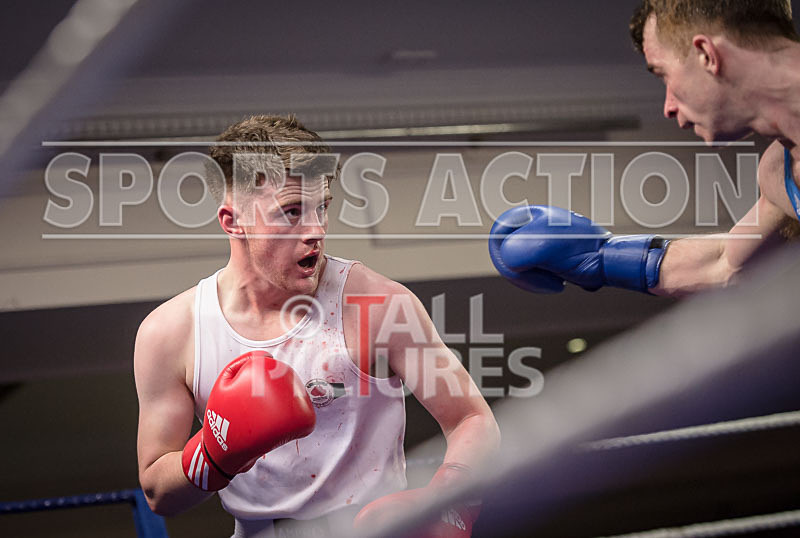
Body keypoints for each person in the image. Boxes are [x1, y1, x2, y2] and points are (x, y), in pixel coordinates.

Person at [134, 115, 500, 536]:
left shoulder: (380, 305)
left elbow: (471, 419)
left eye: (322, 206)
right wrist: (216, 457)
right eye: (291, 212)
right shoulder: (171, 333)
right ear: (233, 222)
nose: (315, 230)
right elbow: (159, 493)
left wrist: (453, 504)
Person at [489, 0, 800, 297]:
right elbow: (730, 266)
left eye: (663, 74)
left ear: (707, 54)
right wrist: (602, 257)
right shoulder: (778, 172)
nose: (668, 107)